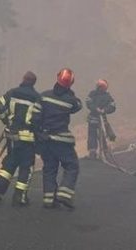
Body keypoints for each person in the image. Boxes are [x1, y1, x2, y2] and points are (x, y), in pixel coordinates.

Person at [0, 71, 43, 206]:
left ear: (23, 79)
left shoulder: (12, 92)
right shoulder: (37, 98)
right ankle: (20, 196)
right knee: (26, 166)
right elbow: (38, 119)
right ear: (34, 83)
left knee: (10, 162)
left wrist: (6, 120)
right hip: (28, 138)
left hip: (12, 136)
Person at [37, 68, 83, 210]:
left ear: (57, 78)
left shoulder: (43, 96)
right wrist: (69, 92)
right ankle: (64, 194)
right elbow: (78, 106)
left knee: (49, 168)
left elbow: (34, 116)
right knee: (72, 165)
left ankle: (49, 200)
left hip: (45, 139)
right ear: (71, 83)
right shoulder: (71, 100)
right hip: (62, 139)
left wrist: (39, 134)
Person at [85, 79, 116, 159]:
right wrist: (96, 109)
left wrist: (104, 110)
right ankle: (93, 151)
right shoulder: (92, 94)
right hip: (93, 118)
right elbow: (88, 102)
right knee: (92, 134)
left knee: (104, 134)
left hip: (102, 118)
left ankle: (105, 150)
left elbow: (113, 106)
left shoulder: (107, 96)